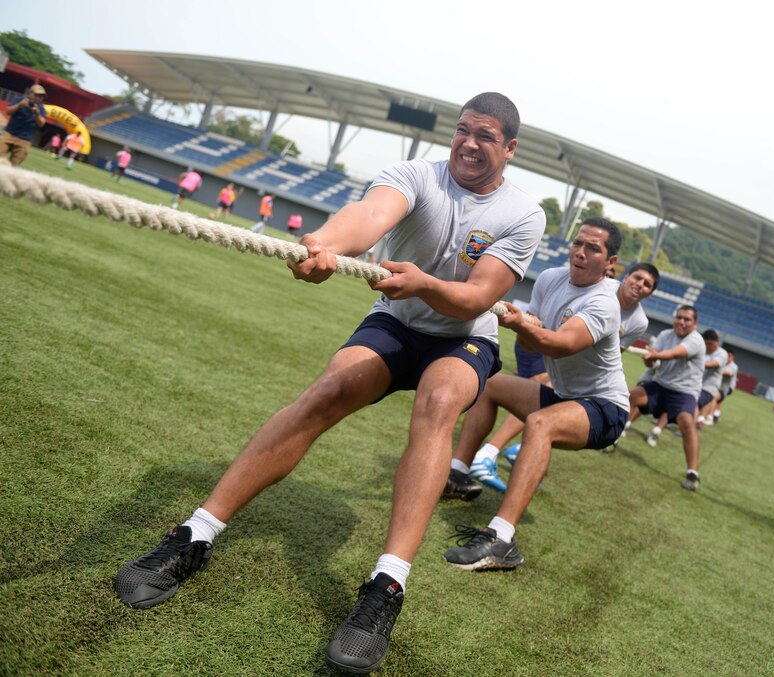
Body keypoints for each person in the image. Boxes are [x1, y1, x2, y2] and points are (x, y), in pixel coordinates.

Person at [112, 92, 545, 674]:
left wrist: (422, 283)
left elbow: (476, 296)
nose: (469, 143)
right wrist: (327, 246)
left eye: (485, 136)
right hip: (396, 320)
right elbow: (369, 217)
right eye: (463, 130)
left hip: (462, 335)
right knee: (325, 393)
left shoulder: (525, 213)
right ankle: (195, 534)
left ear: (509, 148)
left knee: (440, 401)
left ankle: (386, 588)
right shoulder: (415, 175)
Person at [442, 219, 629, 571]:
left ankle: (501, 539)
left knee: (540, 423)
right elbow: (532, 341)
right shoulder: (549, 279)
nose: (581, 252)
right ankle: (456, 474)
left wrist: (521, 324)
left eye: (593, 248)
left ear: (610, 263)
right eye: (578, 243)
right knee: (491, 384)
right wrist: (525, 327)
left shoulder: (604, 302)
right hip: (564, 395)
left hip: (605, 409)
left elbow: (561, 346)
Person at [463, 261, 659, 492]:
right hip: (543, 341)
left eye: (647, 284)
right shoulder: (599, 289)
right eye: (637, 278)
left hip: (571, 360)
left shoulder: (638, 321)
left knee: (555, 414)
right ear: (625, 276)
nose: (640, 285)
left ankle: (523, 451)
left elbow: (611, 355)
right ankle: (488, 453)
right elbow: (551, 335)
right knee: (542, 388)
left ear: (651, 293)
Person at [627, 305, 705, 490]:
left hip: (683, 392)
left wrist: (656, 354)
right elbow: (652, 361)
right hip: (660, 385)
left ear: (695, 324)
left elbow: (675, 353)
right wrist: (649, 357)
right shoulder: (665, 335)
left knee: (687, 422)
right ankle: (611, 438)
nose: (682, 322)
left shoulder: (696, 341)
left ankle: (692, 473)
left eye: (687, 319)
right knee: (630, 396)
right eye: (679, 317)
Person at [0, 84, 47, 167]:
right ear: (30, 93)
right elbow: (8, 111)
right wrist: (19, 105)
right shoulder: (19, 100)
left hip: (24, 140)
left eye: (41, 97)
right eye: (37, 95)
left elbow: (41, 123)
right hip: (9, 134)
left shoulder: (40, 108)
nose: (39, 98)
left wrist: (37, 114)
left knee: (14, 165)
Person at [697, 330, 728, 429]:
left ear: (716, 342)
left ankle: (694, 425)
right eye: (706, 344)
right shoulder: (703, 350)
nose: (708, 346)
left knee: (695, 404)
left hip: (710, 386)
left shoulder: (722, 353)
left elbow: (712, 364)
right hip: (696, 383)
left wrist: (697, 362)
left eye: (710, 344)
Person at [711, 352, 738, 424]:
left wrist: (714, 367)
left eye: (730, 356)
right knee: (718, 399)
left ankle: (711, 416)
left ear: (732, 357)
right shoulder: (723, 362)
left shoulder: (733, 366)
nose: (728, 358)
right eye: (727, 356)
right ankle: (716, 415)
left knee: (716, 397)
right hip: (720, 386)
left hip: (729, 387)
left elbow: (727, 373)